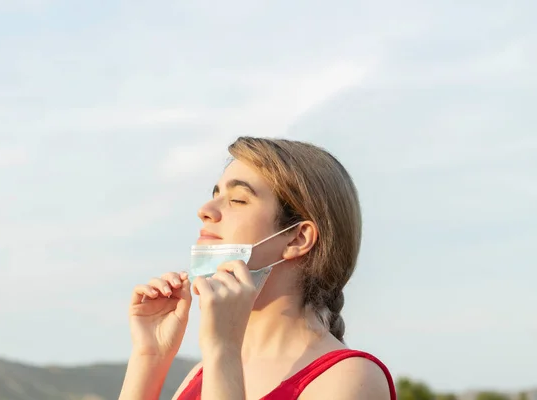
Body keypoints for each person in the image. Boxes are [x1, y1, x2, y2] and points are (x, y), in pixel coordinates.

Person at [119, 136, 397, 400]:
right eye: (215, 195)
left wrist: (223, 351)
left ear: (298, 238)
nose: (205, 210)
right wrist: (149, 356)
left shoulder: (351, 377)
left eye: (238, 200)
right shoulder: (203, 373)